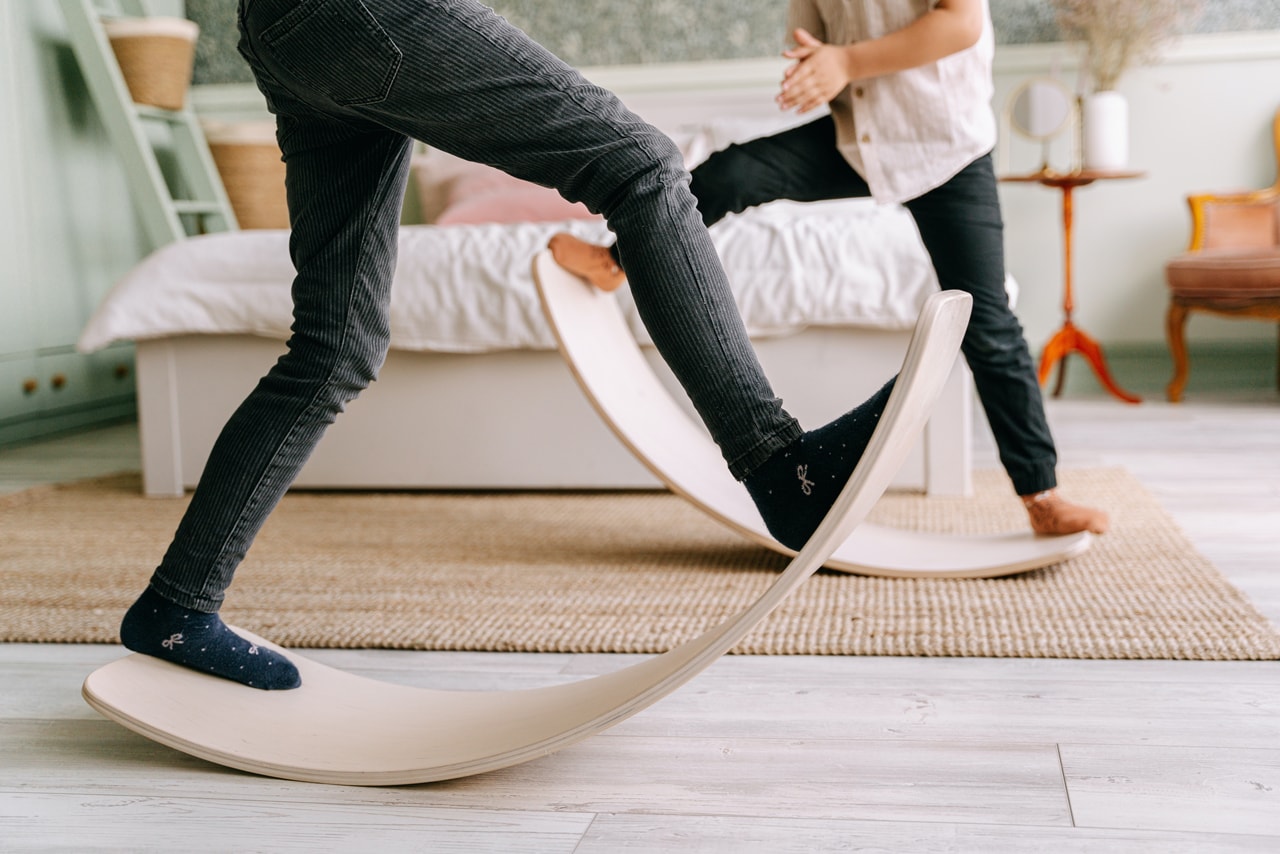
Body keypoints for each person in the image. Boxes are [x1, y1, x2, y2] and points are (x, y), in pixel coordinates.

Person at [117, 0, 902, 690]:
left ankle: (178, 605)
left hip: (284, 25)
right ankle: (780, 467)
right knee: (643, 167)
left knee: (334, 343)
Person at [550, 0, 1109, 541]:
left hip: (947, 148)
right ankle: (615, 261)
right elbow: (815, 40)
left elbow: (961, 23)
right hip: (860, 139)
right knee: (732, 173)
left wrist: (844, 62)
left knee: (988, 323)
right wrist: (816, 66)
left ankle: (1043, 498)